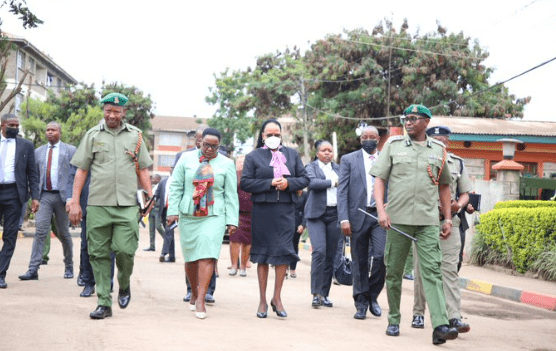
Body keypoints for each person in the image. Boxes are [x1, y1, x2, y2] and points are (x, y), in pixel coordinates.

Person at [370, 104, 459, 344]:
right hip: (396, 220)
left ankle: (440, 325)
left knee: (432, 272)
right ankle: (394, 319)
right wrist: (381, 210)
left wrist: (448, 218)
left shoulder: (439, 150)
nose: (408, 123)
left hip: (428, 222)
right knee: (394, 273)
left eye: (413, 119)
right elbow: (380, 180)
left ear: (426, 122)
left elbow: (444, 185)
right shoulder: (394, 146)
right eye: (405, 119)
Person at [68, 92, 153, 319]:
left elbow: (143, 170)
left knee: (126, 251)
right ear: (103, 111)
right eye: (108, 111)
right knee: (98, 254)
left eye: (116, 111)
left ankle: (124, 284)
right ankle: (104, 302)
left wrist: (149, 199)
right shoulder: (92, 135)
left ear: (124, 112)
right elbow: (81, 170)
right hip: (97, 204)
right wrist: (75, 201)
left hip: (127, 205)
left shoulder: (135, 137)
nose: (111, 115)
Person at [240, 119, 309, 318]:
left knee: (283, 254)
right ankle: (262, 300)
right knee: (262, 255)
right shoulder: (253, 156)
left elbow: (304, 179)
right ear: (262, 136)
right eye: (269, 134)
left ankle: (277, 298)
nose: (273, 137)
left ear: (281, 135)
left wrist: (289, 183)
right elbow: (245, 183)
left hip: (286, 211)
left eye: (276, 134)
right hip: (262, 211)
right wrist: (269, 182)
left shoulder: (292, 154)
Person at [167, 128, 239, 319]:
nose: (209, 149)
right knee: (191, 258)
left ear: (219, 146)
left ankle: (200, 299)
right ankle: (193, 291)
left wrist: (232, 220)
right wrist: (172, 211)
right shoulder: (185, 159)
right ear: (200, 142)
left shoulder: (227, 163)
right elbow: (176, 186)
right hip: (189, 213)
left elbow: (231, 194)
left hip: (214, 214)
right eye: (206, 145)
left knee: (207, 255)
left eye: (214, 146)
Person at [411, 125, 472, 334]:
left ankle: (454, 317)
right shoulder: (418, 159)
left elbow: (465, 193)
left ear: (448, 142)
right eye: (436, 140)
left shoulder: (458, 163)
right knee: (421, 271)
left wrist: (459, 205)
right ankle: (418, 313)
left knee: (449, 271)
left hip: (450, 222)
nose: (441, 143)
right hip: (422, 223)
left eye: (444, 140)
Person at [337, 126, 387, 320]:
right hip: (357, 215)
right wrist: (344, 218)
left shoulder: (386, 158)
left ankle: (373, 295)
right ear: (360, 140)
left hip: (380, 216)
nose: (368, 140)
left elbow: (392, 185)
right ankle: (361, 303)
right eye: (365, 137)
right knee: (359, 261)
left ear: (378, 139)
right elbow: (342, 191)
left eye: (372, 137)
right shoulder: (349, 160)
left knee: (382, 256)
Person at [19, 122, 76, 281]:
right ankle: (33, 269)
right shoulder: (38, 152)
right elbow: (34, 176)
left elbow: (75, 174)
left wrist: (73, 199)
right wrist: (34, 197)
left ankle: (69, 266)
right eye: (48, 130)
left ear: (60, 132)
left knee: (64, 233)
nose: (50, 132)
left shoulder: (70, 150)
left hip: (63, 197)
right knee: (40, 231)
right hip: (45, 196)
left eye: (53, 130)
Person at [0, 114, 40, 289]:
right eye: (11, 125)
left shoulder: (26, 145)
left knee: (10, 235)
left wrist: (35, 197)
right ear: (2, 125)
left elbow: (32, 173)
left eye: (17, 125)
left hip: (14, 194)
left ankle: (1, 273)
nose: (15, 128)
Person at [305, 139, 341, 308]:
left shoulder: (339, 169)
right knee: (319, 251)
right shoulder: (311, 167)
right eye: (324, 150)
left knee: (330, 255)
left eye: (330, 151)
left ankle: (324, 294)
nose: (327, 153)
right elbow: (312, 183)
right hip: (316, 216)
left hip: (335, 215)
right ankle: (315, 293)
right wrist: (333, 183)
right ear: (317, 153)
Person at [229, 155, 252, 277]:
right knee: (235, 239)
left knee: (248, 241)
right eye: (240, 162)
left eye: (244, 162)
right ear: (236, 163)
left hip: (251, 211)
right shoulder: (232, 175)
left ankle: (243, 266)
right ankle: (234, 265)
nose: (242, 164)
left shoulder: (252, 174)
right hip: (236, 212)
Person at [157, 168, 176, 263]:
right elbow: (156, 195)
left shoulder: (180, 182)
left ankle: (163, 253)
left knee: (169, 231)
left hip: (173, 211)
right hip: (164, 210)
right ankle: (172, 256)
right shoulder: (163, 182)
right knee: (170, 233)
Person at [144, 174, 164, 252]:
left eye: (153, 179)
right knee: (151, 228)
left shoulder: (161, 186)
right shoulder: (152, 187)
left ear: (158, 179)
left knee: (158, 226)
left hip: (157, 209)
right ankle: (152, 246)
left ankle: (168, 242)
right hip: (151, 209)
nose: (152, 180)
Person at [289, 188, 307, 279]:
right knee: (285, 244)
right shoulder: (289, 192)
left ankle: (292, 268)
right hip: (286, 222)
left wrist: (303, 225)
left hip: (298, 223)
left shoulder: (305, 195)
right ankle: (283, 267)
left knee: (294, 245)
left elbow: (306, 211)